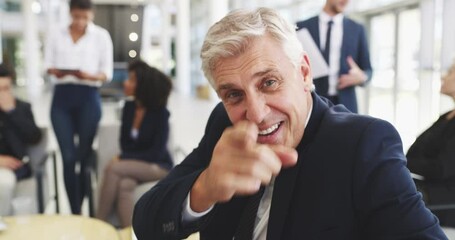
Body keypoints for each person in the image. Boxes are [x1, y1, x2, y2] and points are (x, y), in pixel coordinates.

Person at [132, 7, 446, 240]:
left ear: (304, 73)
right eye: (234, 94)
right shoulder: (224, 126)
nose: (255, 114)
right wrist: (205, 187)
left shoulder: (363, 144)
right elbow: (147, 222)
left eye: (268, 82)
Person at [44, 0, 113, 214]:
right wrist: (57, 72)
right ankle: (75, 210)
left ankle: (84, 206)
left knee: (83, 158)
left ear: (91, 14)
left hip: (88, 97)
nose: (80, 21)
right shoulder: (55, 34)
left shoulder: (101, 36)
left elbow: (106, 74)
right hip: (62, 98)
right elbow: (47, 66)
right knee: (68, 157)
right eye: (76, 16)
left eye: (84, 17)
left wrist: (88, 75)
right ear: (70, 13)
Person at [96, 60, 174, 227]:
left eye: (131, 79)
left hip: (158, 166)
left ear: (142, 85)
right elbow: (125, 144)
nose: (125, 82)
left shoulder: (160, 113)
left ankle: (98, 224)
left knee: (113, 167)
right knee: (124, 185)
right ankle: (131, 234)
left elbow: (156, 153)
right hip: (138, 166)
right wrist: (127, 159)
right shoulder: (129, 108)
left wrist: (123, 159)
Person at [296, 0, 372, 113]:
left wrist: (362, 77)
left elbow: (368, 70)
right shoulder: (302, 27)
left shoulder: (357, 29)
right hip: (312, 101)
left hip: (347, 104)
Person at [407, 61, 455, 227]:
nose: (443, 76)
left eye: (450, 72)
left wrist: (405, 162)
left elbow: (441, 168)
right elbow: (412, 152)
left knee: (387, 189)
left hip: (445, 200)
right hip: (430, 188)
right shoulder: (447, 116)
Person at [0, 63, 42, 215]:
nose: (3, 94)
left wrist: (11, 112)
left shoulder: (22, 108)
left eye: (6, 89)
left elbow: (34, 137)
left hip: (15, 167)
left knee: (4, 183)